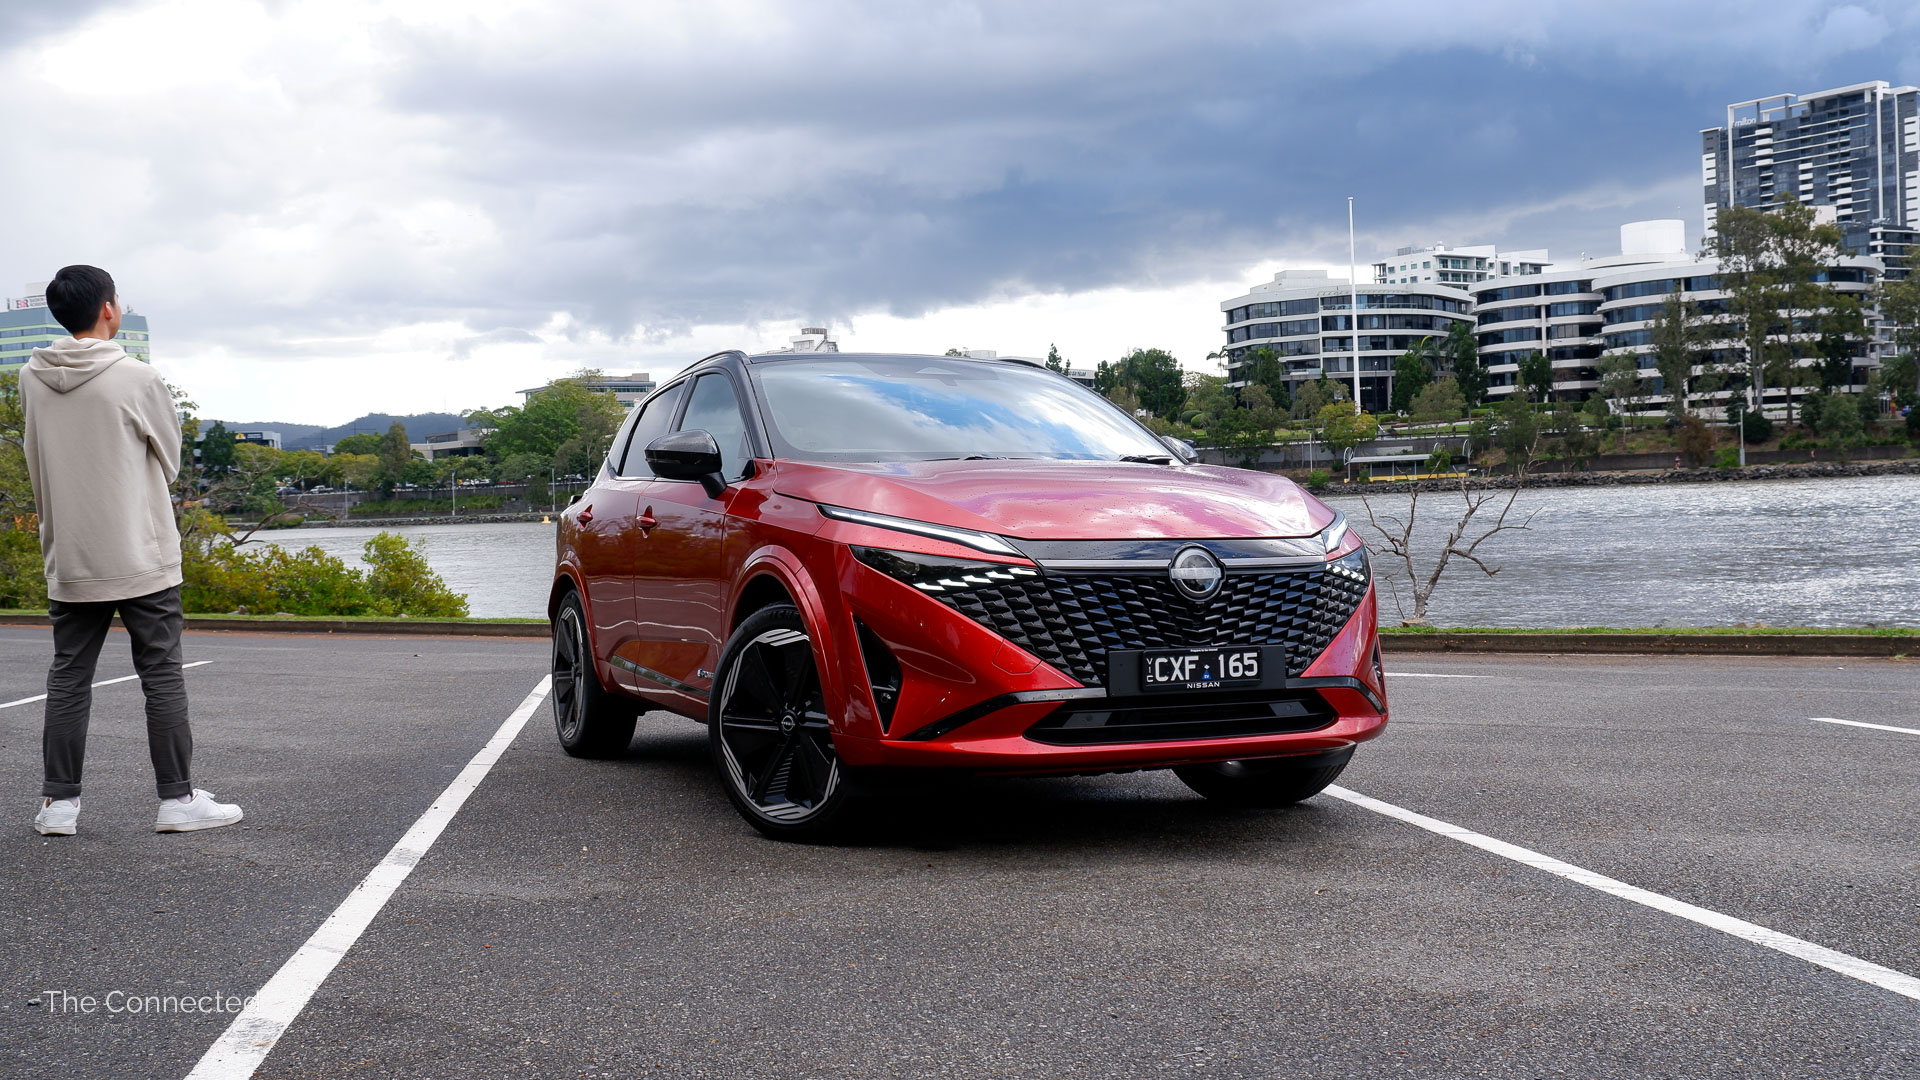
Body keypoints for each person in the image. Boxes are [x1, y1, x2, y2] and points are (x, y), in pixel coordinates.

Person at [22, 265, 242, 836]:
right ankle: (177, 800)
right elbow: (169, 459)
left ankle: (58, 806)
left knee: (69, 678)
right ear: (109, 309)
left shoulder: (31, 376)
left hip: (71, 553)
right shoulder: (137, 377)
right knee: (161, 675)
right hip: (140, 551)